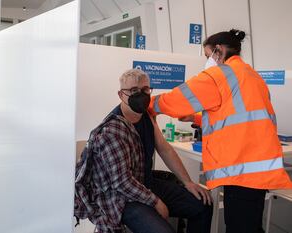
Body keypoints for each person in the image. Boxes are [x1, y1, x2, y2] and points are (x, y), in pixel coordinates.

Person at [149, 29, 292, 233]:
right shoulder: (252, 76)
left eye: (208, 55)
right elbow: (240, 116)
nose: (208, 60)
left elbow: (177, 99)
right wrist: (197, 118)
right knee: (249, 224)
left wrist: (148, 104)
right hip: (257, 167)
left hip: (242, 169)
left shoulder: (219, 75)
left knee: (240, 227)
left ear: (219, 50)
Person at [75, 69, 213, 233]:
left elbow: (164, 149)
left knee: (203, 204)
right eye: (133, 91)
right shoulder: (112, 130)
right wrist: (156, 202)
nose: (140, 95)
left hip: (145, 184)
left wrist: (188, 182)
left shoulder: (146, 115)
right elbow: (122, 182)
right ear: (121, 95)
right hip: (121, 198)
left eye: (145, 90)